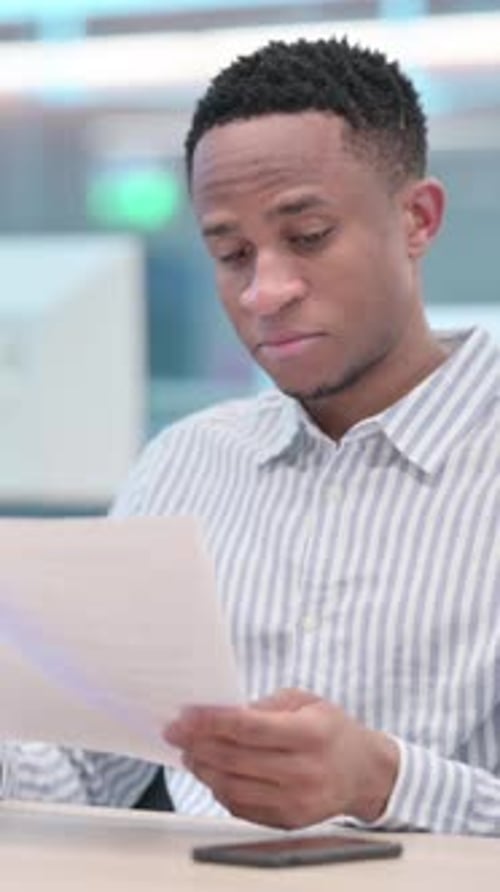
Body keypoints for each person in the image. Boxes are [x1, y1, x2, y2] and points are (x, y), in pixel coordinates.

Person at [3, 35, 499, 835]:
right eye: (231, 253)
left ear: (417, 219)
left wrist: (383, 781)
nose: (265, 292)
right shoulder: (186, 465)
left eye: (307, 237)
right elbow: (80, 771)